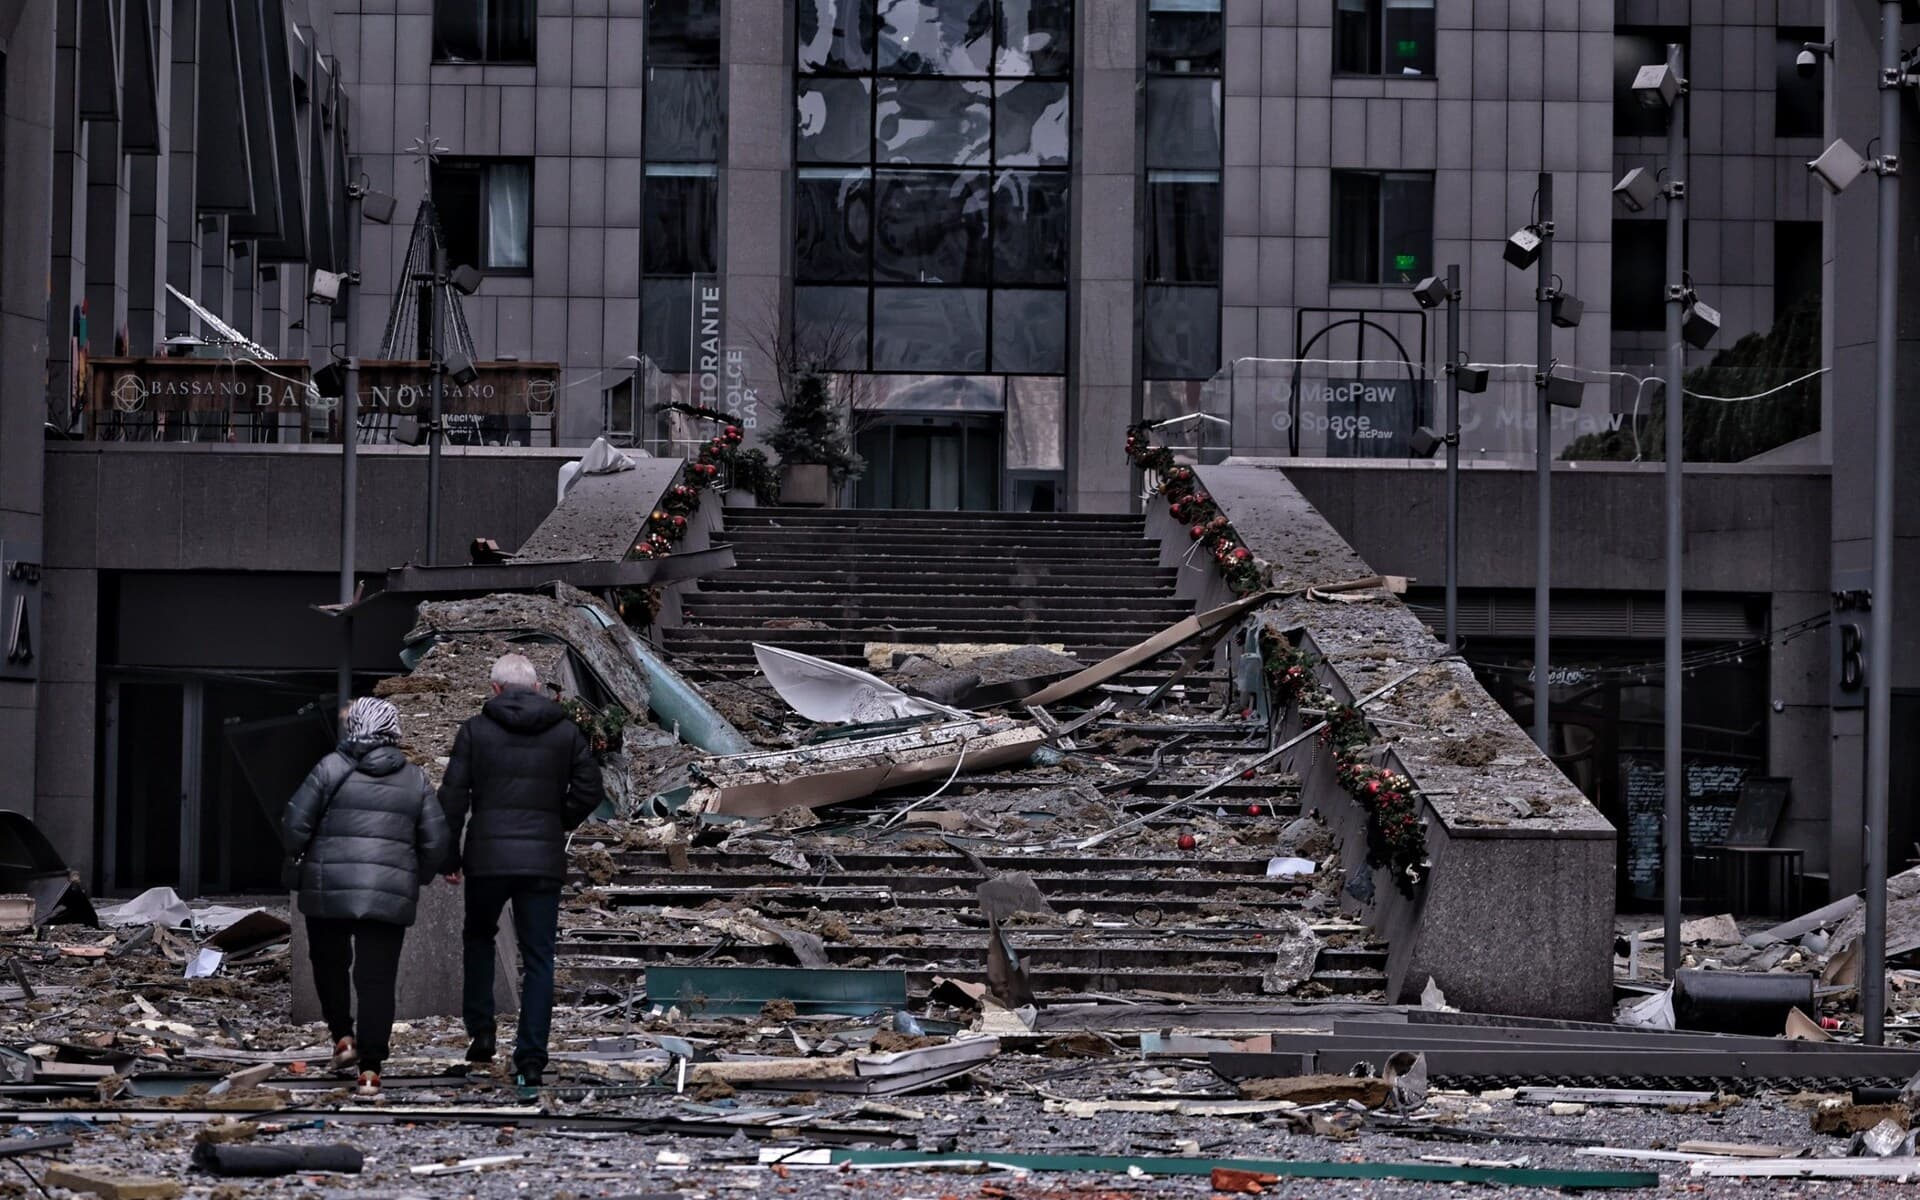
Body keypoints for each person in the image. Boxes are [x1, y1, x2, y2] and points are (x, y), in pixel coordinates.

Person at [438, 653, 603, 1087]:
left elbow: (451, 796)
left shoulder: (474, 731)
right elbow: (590, 788)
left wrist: (448, 857)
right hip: (541, 860)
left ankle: (482, 1031)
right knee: (539, 958)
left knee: (479, 938)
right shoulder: (565, 731)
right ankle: (530, 1057)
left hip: (487, 857)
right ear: (536, 688)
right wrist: (557, 819)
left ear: (494, 689)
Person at [283, 696, 450, 1100]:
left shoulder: (329, 768)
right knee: (377, 980)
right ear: (394, 730)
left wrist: (301, 854)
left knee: (329, 965)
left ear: (354, 727)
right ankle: (371, 1072)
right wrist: (413, 876)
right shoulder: (415, 779)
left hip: (328, 889)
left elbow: (293, 825)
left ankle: (343, 1036)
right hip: (387, 895)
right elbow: (437, 842)